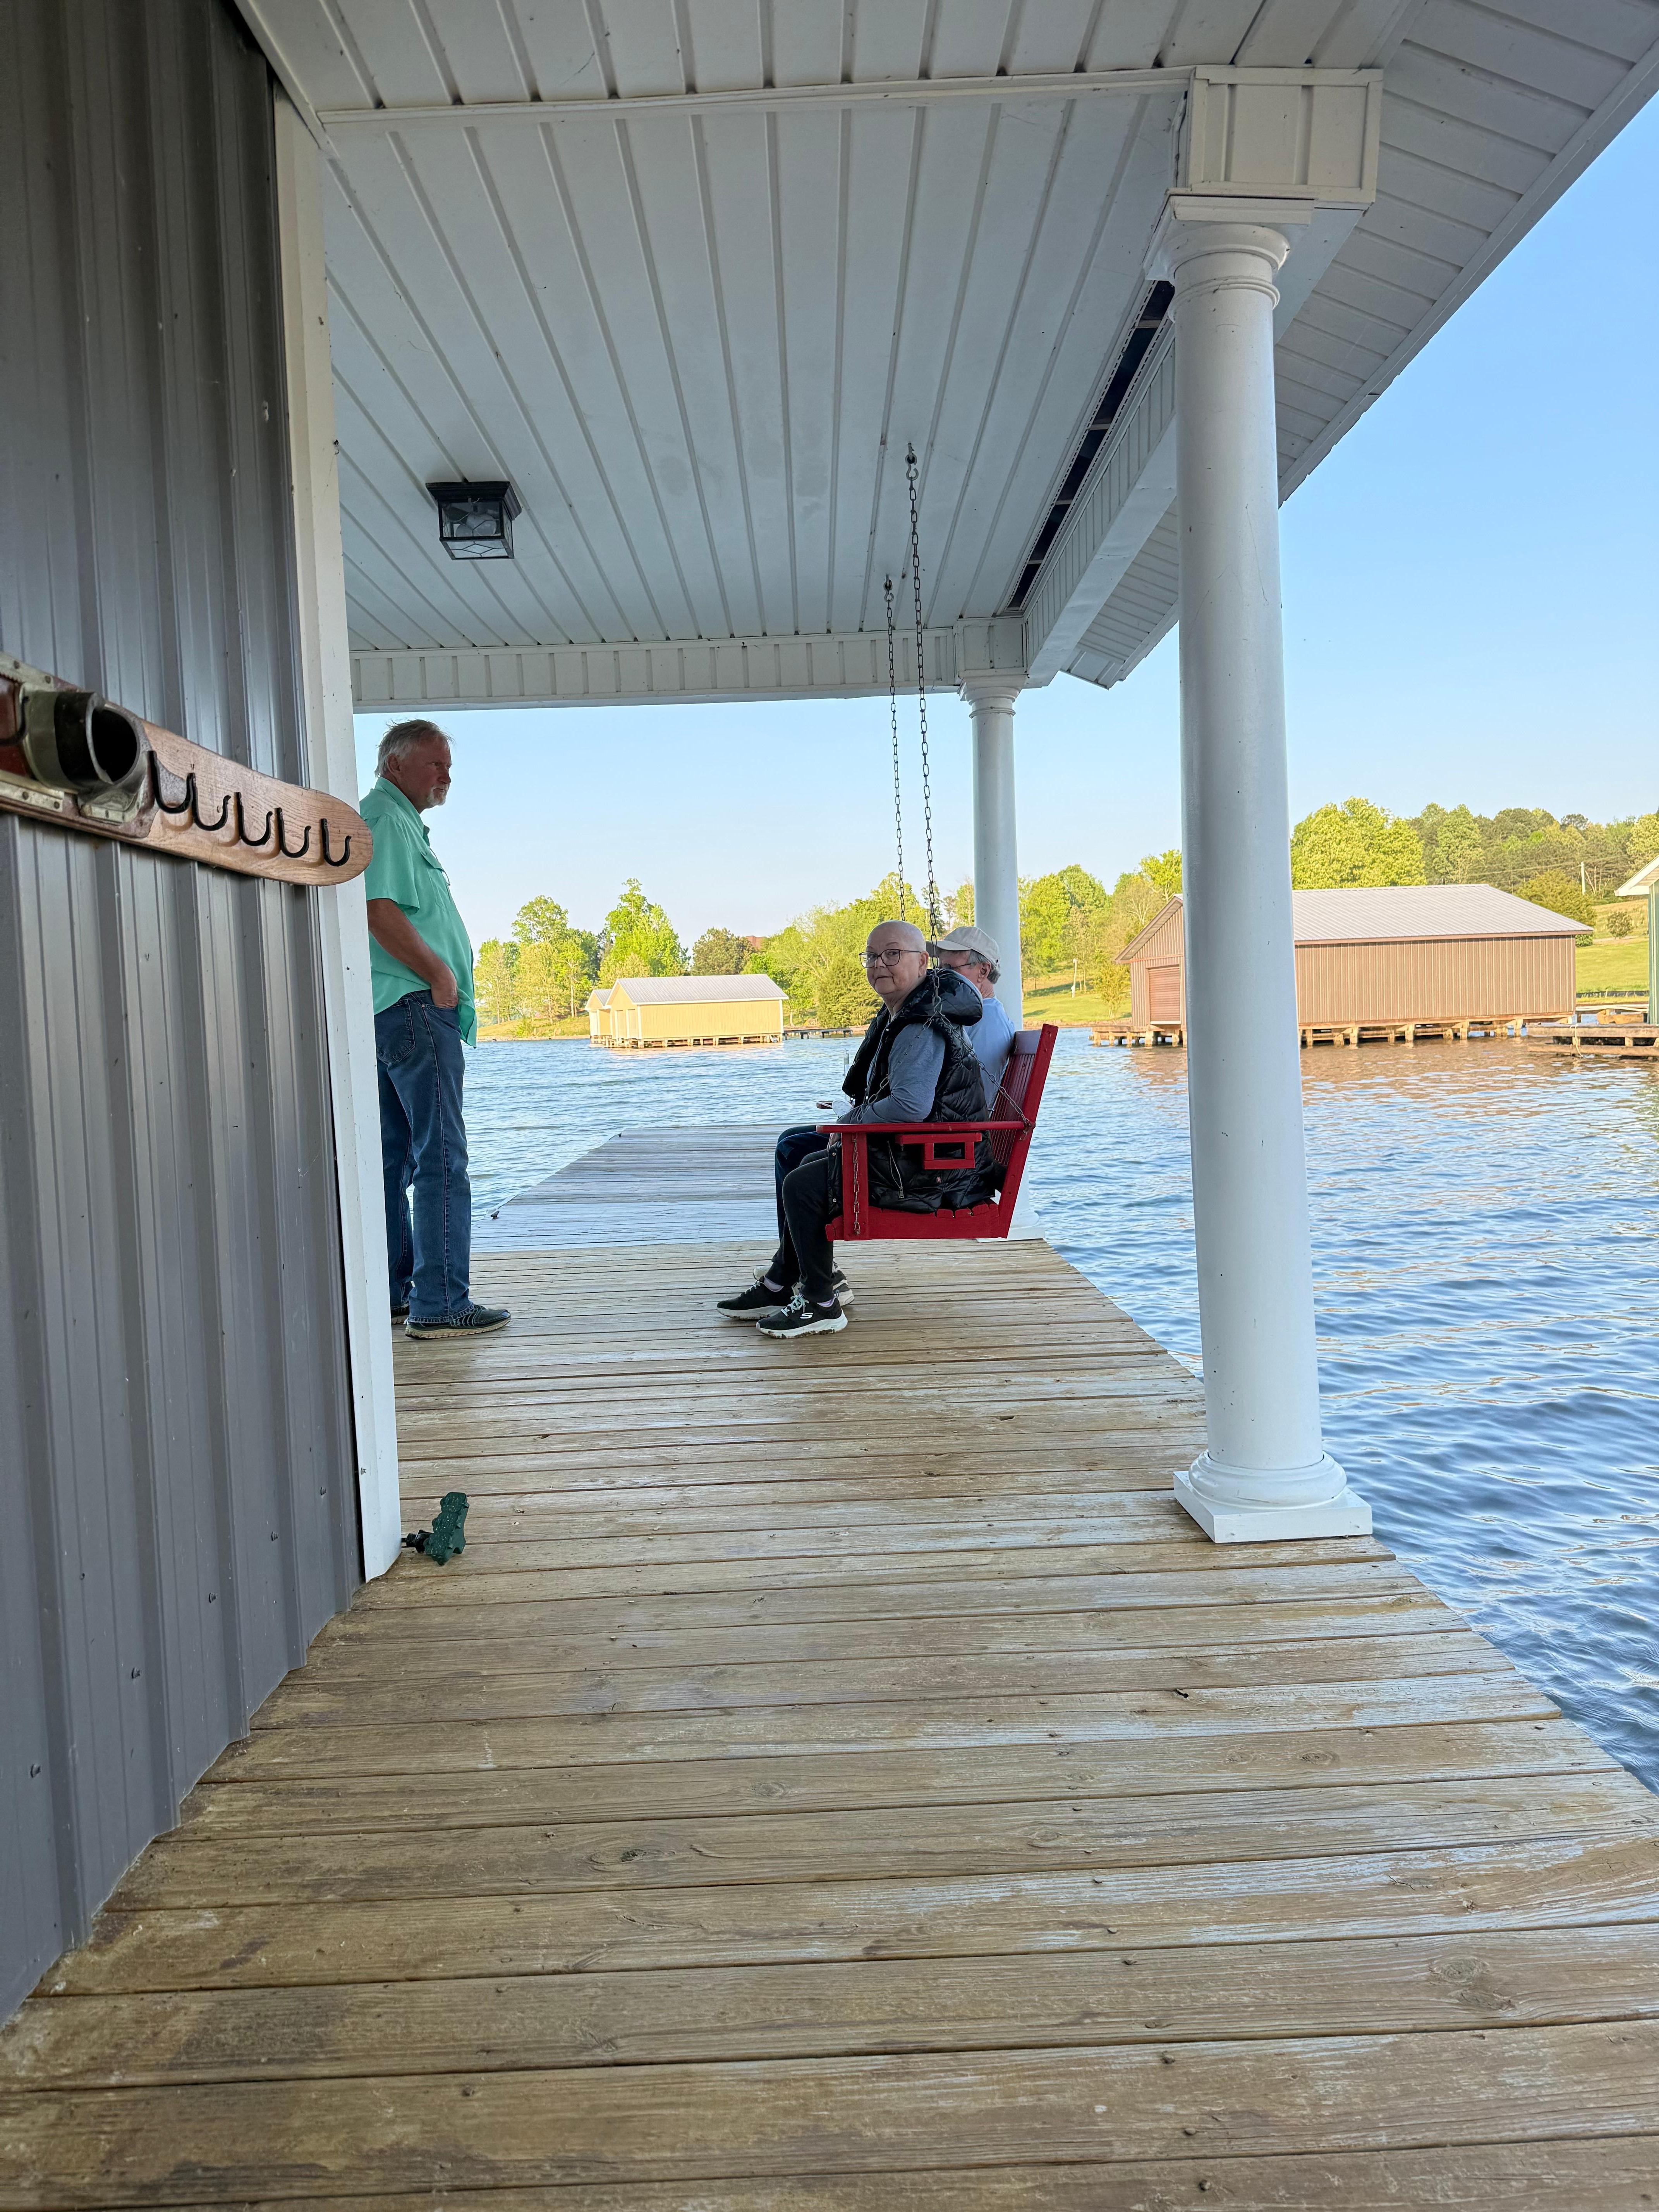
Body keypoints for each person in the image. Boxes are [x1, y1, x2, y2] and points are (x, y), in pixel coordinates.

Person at [716, 920, 990, 1339]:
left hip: (930, 1166)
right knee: (794, 1146)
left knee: (803, 1182)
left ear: (922, 963)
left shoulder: (921, 1024)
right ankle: (786, 1280)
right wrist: (849, 1124)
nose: (880, 964)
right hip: (915, 1150)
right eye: (873, 956)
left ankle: (821, 1303)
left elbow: (911, 1106)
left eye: (893, 954)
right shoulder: (909, 1008)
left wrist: (848, 1124)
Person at [361, 720, 510, 1340]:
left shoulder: (388, 818)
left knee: (396, 1155)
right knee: (442, 1158)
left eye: (449, 767)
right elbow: (378, 908)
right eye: (435, 765)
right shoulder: (388, 818)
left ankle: (402, 1292)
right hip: (417, 1007)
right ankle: (442, 1302)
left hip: (393, 1009)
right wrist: (439, 977)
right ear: (395, 765)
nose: (446, 777)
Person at [928, 924, 1017, 1096]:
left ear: (983, 971)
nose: (939, 976)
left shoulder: (987, 1022)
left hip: (960, 1123)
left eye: (949, 969)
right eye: (939, 969)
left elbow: (976, 1098)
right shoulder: (973, 1016)